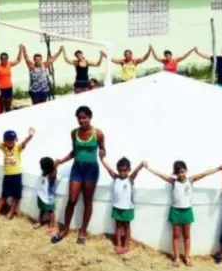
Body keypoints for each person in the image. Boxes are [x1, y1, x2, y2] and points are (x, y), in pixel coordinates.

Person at [145, 160, 222, 267]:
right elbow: (161, 175)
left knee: (187, 236)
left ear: (186, 171)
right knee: (176, 236)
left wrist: (218, 168)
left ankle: (187, 256)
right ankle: (177, 257)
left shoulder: (190, 180)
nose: (181, 174)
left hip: (187, 211)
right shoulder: (173, 182)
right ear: (175, 173)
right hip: (175, 211)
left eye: (182, 172)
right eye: (178, 172)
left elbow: (204, 174)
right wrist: (148, 168)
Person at [52, 106, 106, 244]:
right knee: (72, 200)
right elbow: (74, 152)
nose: (81, 120)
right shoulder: (74, 133)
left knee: (88, 201)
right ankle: (65, 229)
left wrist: (102, 153)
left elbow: (103, 149)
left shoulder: (98, 133)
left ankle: (83, 231)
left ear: (90, 117)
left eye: (84, 118)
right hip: (77, 169)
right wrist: (61, 161)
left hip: (91, 169)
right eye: (79, 118)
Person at [0, 122, 35, 220]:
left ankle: (11, 212)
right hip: (7, 175)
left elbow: (24, 143)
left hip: (16, 175)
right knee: (4, 195)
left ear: (15, 140)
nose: (10, 142)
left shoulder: (18, 148)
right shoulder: (4, 147)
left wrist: (30, 136)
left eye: (12, 140)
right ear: (5, 141)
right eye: (8, 140)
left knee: (16, 196)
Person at [100, 156, 144, 254]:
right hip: (117, 207)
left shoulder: (130, 179)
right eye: (120, 170)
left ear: (128, 170)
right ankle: (118, 244)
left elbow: (136, 172)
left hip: (128, 208)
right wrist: (102, 160)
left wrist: (141, 165)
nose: (122, 173)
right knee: (118, 226)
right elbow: (109, 169)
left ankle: (126, 245)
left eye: (125, 171)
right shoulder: (116, 178)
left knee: (126, 226)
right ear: (118, 170)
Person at [0, 45, 23, 113]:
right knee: (1, 106)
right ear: (0, 59)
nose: (4, 60)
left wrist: (20, 50)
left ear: (7, 59)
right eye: (2, 58)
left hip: (9, 88)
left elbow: (18, 60)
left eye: (5, 58)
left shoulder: (9, 64)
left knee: (8, 105)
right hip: (1, 89)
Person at [34, 157, 58, 235]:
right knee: (42, 209)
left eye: (42, 166)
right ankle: (39, 221)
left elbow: (54, 172)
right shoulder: (44, 172)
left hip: (48, 197)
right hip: (41, 195)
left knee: (51, 212)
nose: (40, 168)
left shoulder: (51, 176)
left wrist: (56, 165)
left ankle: (51, 226)